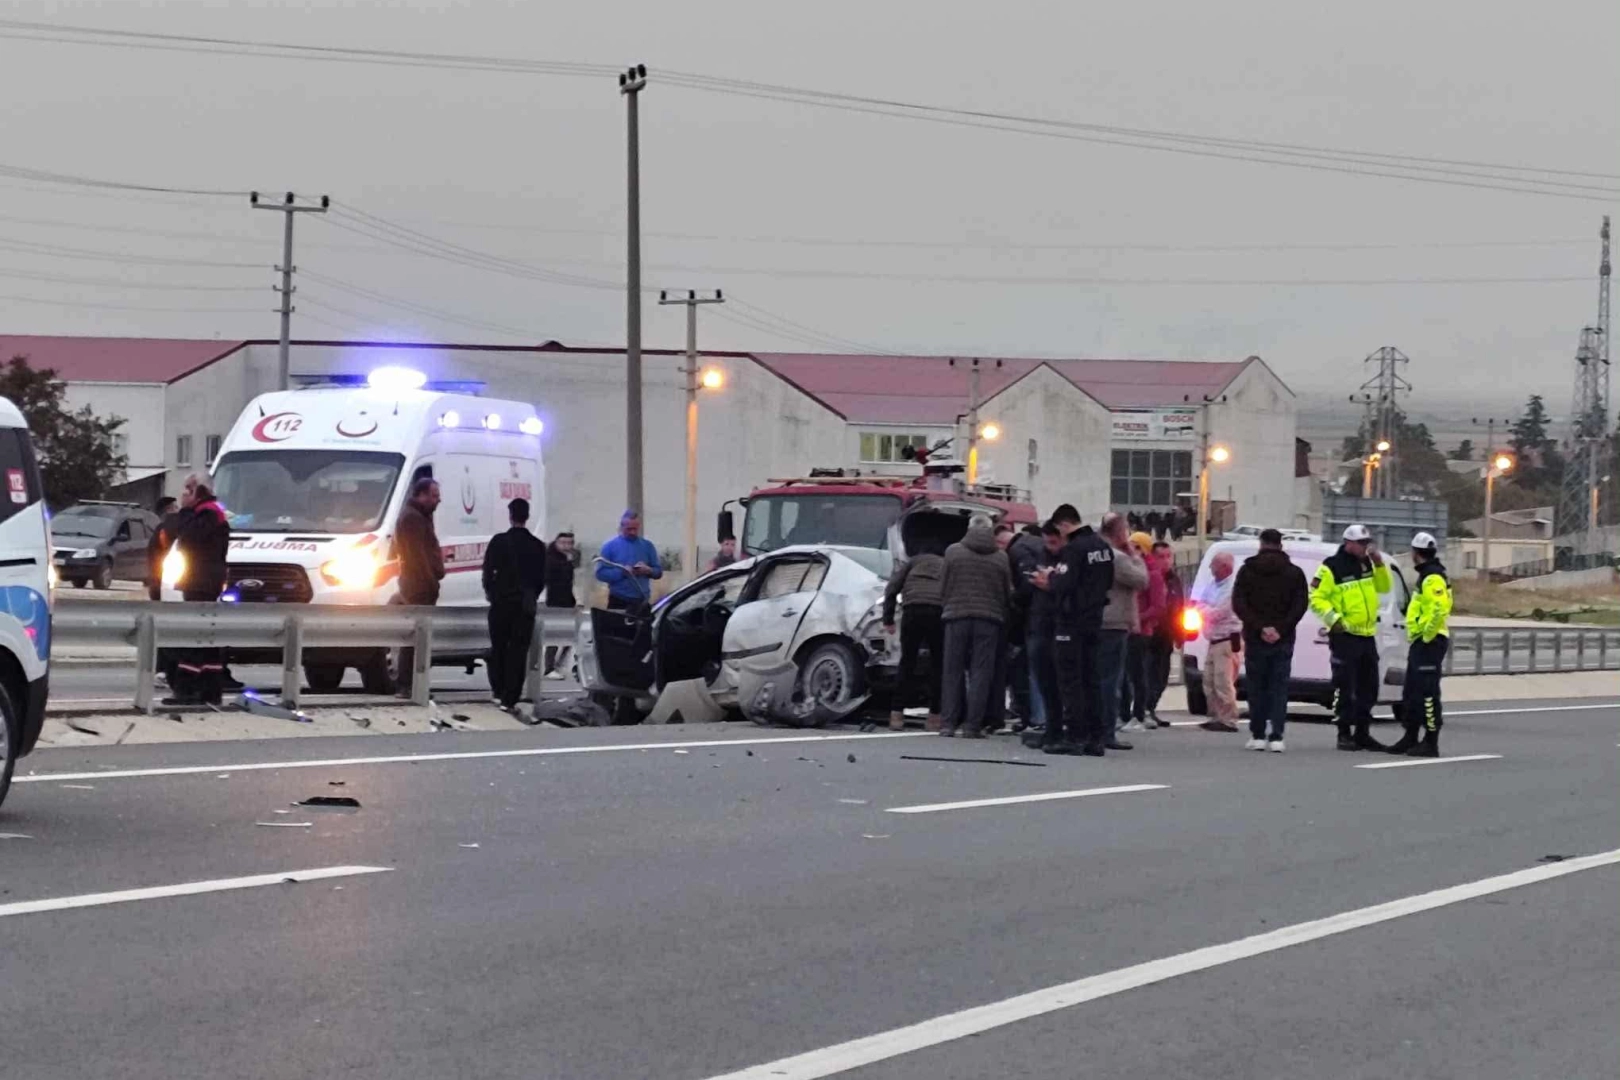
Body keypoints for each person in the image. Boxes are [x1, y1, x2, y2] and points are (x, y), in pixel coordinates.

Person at [1031, 504, 1112, 756]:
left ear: (1064, 525)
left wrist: (1048, 581)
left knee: (1071, 681)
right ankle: (1096, 736)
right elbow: (1107, 582)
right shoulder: (1103, 547)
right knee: (1092, 680)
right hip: (1094, 620)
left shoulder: (1074, 550)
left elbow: (1064, 584)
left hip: (1071, 622)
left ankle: (1076, 735)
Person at [1310, 523, 1392, 751]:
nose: (1365, 547)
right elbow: (1316, 597)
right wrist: (1333, 619)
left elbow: (1384, 588)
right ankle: (1344, 733)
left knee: (1369, 687)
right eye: (1361, 544)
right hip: (1345, 635)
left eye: (1367, 543)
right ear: (1348, 543)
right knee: (1345, 687)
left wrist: (1379, 563)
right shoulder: (1331, 567)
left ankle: (1363, 732)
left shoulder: (1366, 563)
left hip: (1366, 635)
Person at [1231, 529, 1309, 752]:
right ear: (1280, 544)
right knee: (1279, 687)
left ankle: (1257, 734)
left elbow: (1239, 603)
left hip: (1256, 637)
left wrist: (1259, 627)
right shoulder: (1294, 573)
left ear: (1262, 543)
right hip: (1283, 639)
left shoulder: (1248, 571)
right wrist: (1281, 629)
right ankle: (1276, 735)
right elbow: (1300, 605)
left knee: (1256, 686)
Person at [936, 518, 1012, 738]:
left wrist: (947, 605)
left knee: (952, 670)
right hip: (989, 618)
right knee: (981, 672)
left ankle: (948, 724)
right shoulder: (1001, 557)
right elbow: (1007, 592)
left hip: (956, 615)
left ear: (968, 529)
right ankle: (972, 726)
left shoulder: (953, 552)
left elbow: (944, 584)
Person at [1389, 532, 1452, 757]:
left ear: (1416, 553)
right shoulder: (1426, 575)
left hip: (1430, 642)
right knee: (1412, 691)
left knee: (1427, 692)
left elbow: (1438, 609)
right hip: (1421, 642)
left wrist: (1426, 636)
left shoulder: (1433, 577)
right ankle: (1410, 736)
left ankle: (1430, 740)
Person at [167, 484, 230, 705]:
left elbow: (187, 537)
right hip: (203, 581)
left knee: (195, 636)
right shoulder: (210, 512)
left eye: (186, 491)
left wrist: (184, 510)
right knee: (205, 637)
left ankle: (187, 690)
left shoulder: (208, 513)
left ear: (196, 493)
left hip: (201, 583)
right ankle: (209, 691)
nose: (182, 495)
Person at [481, 497, 547, 711]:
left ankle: (498, 690)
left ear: (510, 516)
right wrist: (531, 595)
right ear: (527, 516)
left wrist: (491, 592)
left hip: (501, 602)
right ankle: (512, 695)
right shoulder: (537, 546)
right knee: (518, 650)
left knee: (499, 647)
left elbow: (487, 571)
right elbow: (541, 578)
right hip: (525, 605)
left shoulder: (499, 542)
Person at [882, 538, 946, 733]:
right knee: (938, 665)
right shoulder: (946, 564)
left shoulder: (912, 563)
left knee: (907, 662)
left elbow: (891, 589)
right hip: (938, 613)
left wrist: (889, 619)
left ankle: (896, 715)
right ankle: (935, 717)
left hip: (913, 611)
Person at [1098, 513, 1147, 749]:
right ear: (1119, 533)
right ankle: (1106, 731)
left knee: (1094, 677)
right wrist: (1135, 556)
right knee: (1111, 680)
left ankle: (1091, 727)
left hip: (1094, 620)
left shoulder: (1094, 553)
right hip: (1114, 622)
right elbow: (1141, 580)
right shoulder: (1117, 558)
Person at [393, 477, 445, 698]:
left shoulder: (421, 516)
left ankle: (414, 684)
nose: (438, 499)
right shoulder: (412, 519)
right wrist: (430, 581)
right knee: (415, 638)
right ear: (421, 494)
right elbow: (417, 557)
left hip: (421, 584)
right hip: (418, 586)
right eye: (434, 495)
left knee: (418, 638)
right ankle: (408, 685)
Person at [1120, 531, 1166, 732]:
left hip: (1141, 630)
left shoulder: (1152, 573)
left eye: (1137, 546)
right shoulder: (1133, 569)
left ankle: (1139, 713)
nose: (1132, 550)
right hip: (1130, 628)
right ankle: (1129, 713)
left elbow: (1158, 606)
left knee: (1138, 674)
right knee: (1129, 674)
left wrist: (1137, 618)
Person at [1193, 550, 1241, 732]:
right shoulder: (1213, 585)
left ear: (1224, 567)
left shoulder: (1232, 589)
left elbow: (1220, 613)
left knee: (1223, 680)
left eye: (1214, 565)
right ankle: (1215, 715)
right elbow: (1200, 604)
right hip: (1213, 638)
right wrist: (1205, 610)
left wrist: (1204, 611)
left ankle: (1228, 718)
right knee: (1209, 680)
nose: (1211, 569)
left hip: (1228, 639)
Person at [1005, 524, 1048, 732]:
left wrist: (1015, 602)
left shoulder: (1019, 550)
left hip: (1034, 617)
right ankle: (1044, 716)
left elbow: (1027, 584)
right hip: (1051, 615)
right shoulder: (1042, 546)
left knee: (1031, 668)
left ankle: (1037, 717)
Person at [1145, 540, 1182, 725]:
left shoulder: (1173, 579)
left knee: (1162, 675)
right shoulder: (1148, 577)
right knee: (1148, 674)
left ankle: (1150, 708)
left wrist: (1180, 633)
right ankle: (1143, 709)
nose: (1166, 561)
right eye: (1161, 557)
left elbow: (1179, 606)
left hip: (1167, 634)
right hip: (1150, 633)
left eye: (1169, 556)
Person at [595, 510, 663, 610]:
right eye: (629, 529)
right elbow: (600, 574)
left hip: (642, 600)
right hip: (619, 599)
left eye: (635, 529)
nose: (633, 532)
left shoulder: (647, 546)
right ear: (621, 527)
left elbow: (658, 572)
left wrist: (648, 570)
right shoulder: (609, 547)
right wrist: (622, 572)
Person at [542, 531, 579, 679]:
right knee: (555, 636)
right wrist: (568, 563)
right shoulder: (551, 559)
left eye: (569, 543)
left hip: (566, 600)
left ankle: (559, 664)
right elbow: (555, 580)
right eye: (563, 543)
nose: (566, 546)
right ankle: (549, 667)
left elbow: (569, 584)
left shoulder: (568, 559)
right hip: (554, 601)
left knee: (569, 636)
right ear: (556, 543)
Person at [146, 496, 179, 602]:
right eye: (176, 507)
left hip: (158, 582)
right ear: (169, 510)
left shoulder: (159, 530)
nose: (179, 511)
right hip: (163, 581)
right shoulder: (165, 530)